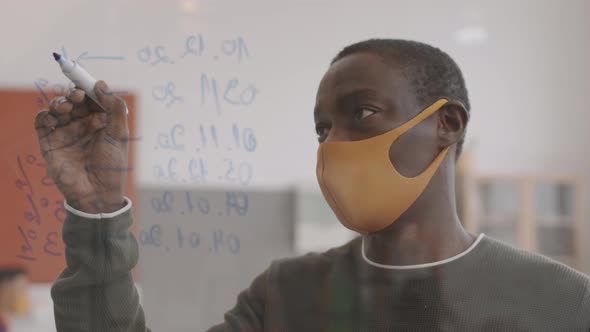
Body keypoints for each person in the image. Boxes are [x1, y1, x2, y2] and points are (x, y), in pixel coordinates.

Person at [35, 39, 590, 331]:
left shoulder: (562, 303)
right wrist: (99, 211)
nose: (335, 144)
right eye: (323, 128)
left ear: (447, 124)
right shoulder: (287, 296)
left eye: (363, 114)